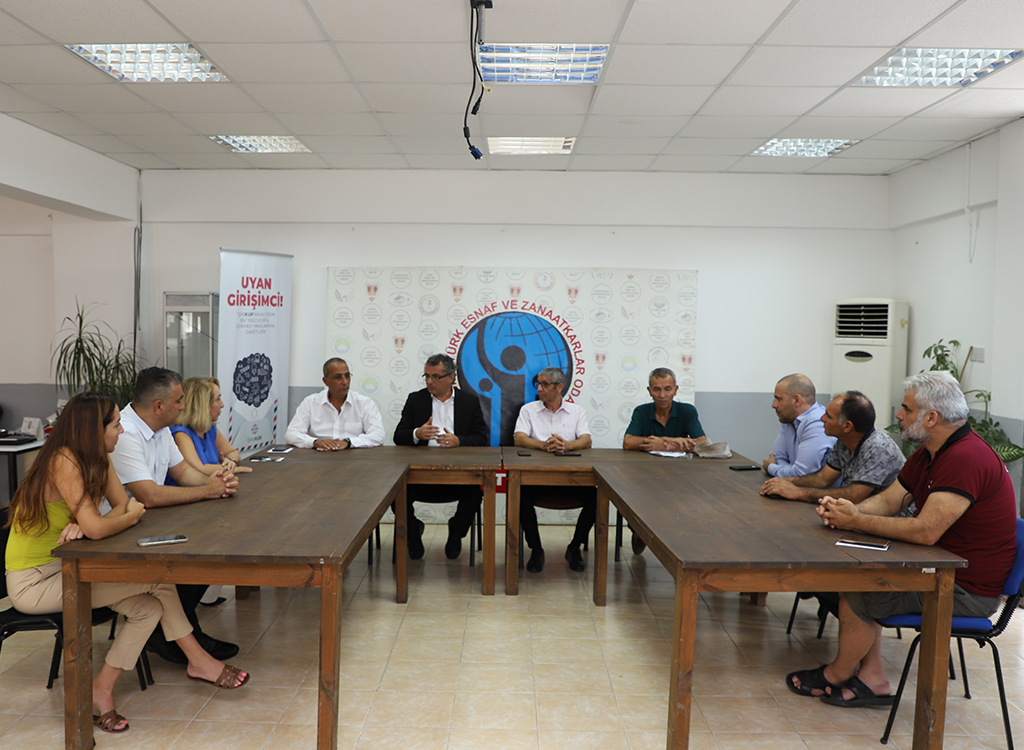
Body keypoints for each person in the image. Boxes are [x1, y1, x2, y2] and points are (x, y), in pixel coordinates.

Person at [4, 393, 249, 735]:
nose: (121, 430)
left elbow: (121, 506)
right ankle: (199, 661)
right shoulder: (64, 461)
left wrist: (99, 522)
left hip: (73, 567)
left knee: (149, 608)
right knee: (159, 581)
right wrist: (113, 520)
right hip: (35, 582)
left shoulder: (98, 459)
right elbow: (123, 513)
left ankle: (101, 688)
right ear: (95, 430)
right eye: (116, 425)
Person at [787, 372, 1017, 707]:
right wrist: (847, 511)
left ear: (931, 418)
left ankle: (837, 674)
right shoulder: (930, 452)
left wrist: (857, 520)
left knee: (861, 592)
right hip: (940, 569)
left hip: (964, 589)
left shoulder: (966, 457)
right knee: (862, 581)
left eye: (906, 409)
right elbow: (890, 500)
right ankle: (873, 678)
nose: (898, 415)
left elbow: (926, 531)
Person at [110, 367, 240, 664]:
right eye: (179, 400)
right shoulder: (125, 433)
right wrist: (209, 490)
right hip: (120, 534)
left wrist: (217, 484)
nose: (183, 406)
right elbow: (150, 495)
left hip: (148, 524)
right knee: (194, 559)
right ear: (158, 406)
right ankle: (179, 637)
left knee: (211, 548)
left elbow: (183, 473)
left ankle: (177, 633)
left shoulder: (161, 429)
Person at [393, 354, 489, 560]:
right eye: (427, 376)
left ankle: (456, 533)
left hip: (458, 474)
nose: (430, 381)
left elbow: (482, 438)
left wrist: (459, 441)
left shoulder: (469, 401)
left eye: (436, 377)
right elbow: (398, 436)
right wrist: (416, 433)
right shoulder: (416, 399)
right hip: (420, 475)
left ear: (451, 377)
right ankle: (413, 534)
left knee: (474, 495)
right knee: (396, 494)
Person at [170, 376, 253, 606]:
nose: (222, 405)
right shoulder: (181, 433)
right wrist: (228, 466)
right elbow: (196, 468)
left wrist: (230, 462)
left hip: (209, 498)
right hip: (183, 507)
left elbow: (234, 453)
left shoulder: (211, 429)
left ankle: (205, 594)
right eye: (217, 400)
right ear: (202, 405)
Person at [513, 367, 593, 574]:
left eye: (545, 384)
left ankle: (574, 547)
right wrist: (543, 445)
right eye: (538, 384)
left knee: (596, 498)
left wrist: (566, 445)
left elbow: (586, 440)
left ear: (559, 387)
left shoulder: (577, 411)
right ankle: (536, 549)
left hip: (570, 479)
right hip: (537, 479)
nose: (539, 388)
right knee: (520, 497)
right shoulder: (528, 410)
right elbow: (519, 438)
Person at [760, 391, 904, 504]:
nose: (822, 418)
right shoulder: (843, 442)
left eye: (828, 416)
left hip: (892, 522)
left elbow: (854, 496)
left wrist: (799, 492)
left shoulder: (878, 448)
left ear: (847, 426)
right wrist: (787, 482)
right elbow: (822, 478)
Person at [623, 367, 707, 553]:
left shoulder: (687, 411)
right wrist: (668, 441)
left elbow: (702, 442)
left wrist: (666, 442)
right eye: (657, 389)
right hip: (644, 476)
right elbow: (628, 442)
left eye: (667, 389)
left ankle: (673, 541)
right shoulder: (641, 411)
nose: (662, 395)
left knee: (684, 504)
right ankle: (638, 530)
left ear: (675, 390)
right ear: (649, 391)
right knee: (633, 497)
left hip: (678, 476)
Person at [285, 358, 385, 451]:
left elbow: (378, 435)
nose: (345, 382)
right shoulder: (311, 402)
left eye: (347, 376)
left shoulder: (364, 403)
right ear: (326, 381)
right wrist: (315, 442)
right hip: (318, 456)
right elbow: (291, 434)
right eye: (338, 377)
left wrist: (348, 442)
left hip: (353, 457)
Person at [763, 373, 836, 477]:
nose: (774, 405)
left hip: (823, 488)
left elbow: (802, 473)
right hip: (795, 485)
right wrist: (786, 470)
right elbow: (777, 458)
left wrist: (770, 467)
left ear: (796, 400)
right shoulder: (789, 419)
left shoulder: (817, 423)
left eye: (779, 399)